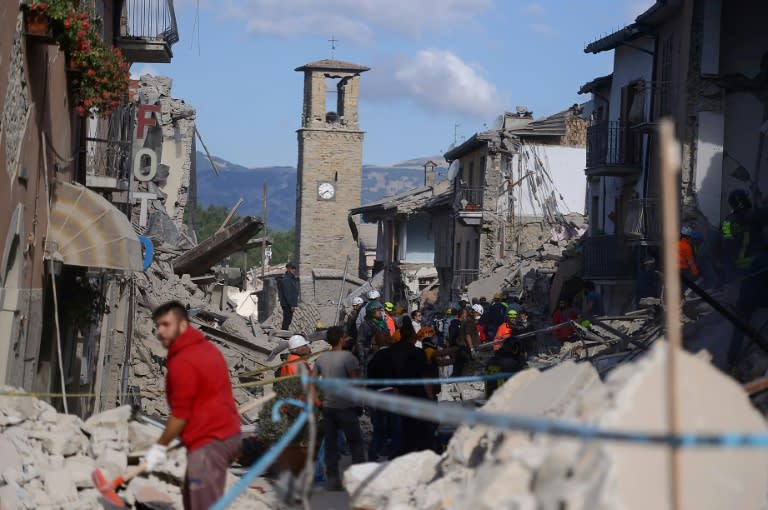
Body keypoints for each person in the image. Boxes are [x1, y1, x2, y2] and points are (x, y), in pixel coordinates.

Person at [144, 302, 241, 510]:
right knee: (195, 499)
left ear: (183, 326)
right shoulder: (205, 349)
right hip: (223, 435)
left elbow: (180, 415)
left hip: (209, 441)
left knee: (202, 505)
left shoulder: (184, 361)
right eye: (157, 325)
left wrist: (160, 447)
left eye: (165, 325)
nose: (159, 331)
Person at [314, 326, 366, 490]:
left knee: (330, 445)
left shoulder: (321, 359)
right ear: (341, 339)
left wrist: (317, 402)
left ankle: (333, 481)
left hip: (328, 407)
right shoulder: (348, 358)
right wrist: (359, 402)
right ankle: (358, 479)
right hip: (344, 406)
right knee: (356, 444)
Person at [389, 321, 432, 454]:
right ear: (412, 337)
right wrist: (430, 396)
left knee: (406, 427)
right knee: (422, 427)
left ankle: (405, 452)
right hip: (417, 394)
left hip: (400, 393)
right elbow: (425, 376)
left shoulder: (392, 351)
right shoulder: (418, 352)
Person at [366, 331, 401, 461]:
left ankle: (373, 453)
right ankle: (395, 454)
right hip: (394, 394)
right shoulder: (396, 356)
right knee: (396, 427)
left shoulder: (373, 360)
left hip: (379, 396)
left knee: (380, 428)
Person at [356, 300, 387, 370]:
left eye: (380, 310)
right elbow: (360, 342)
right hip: (370, 356)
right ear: (371, 312)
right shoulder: (365, 325)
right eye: (377, 310)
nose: (380, 312)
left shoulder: (383, 323)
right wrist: (362, 357)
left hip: (383, 355)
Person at [454, 304, 483, 376]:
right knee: (469, 365)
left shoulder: (468, 320)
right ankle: (466, 382)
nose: (478, 317)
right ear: (474, 312)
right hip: (467, 349)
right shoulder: (470, 321)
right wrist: (472, 349)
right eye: (478, 314)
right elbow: (468, 335)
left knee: (468, 365)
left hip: (465, 348)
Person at [278, 262, 299, 330]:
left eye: (294, 268)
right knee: (287, 319)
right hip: (287, 304)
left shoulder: (291, 279)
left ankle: (284, 332)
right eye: (292, 268)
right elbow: (288, 293)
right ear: (288, 269)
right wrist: (292, 304)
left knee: (288, 319)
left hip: (288, 303)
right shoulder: (287, 279)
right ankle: (283, 333)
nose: (294, 270)